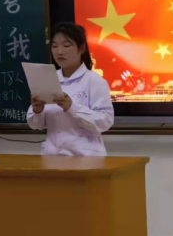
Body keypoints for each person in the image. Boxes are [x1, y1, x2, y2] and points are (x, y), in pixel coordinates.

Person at [27, 22, 114, 156]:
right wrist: (37, 111)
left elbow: (105, 122)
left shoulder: (95, 81)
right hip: (52, 156)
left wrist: (72, 108)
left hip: (86, 158)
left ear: (81, 48)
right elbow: (36, 125)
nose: (59, 51)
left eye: (66, 45)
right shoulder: (47, 78)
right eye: (55, 46)